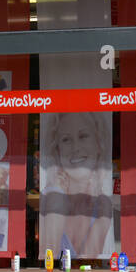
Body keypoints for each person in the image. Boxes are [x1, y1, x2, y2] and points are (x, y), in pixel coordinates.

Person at [40, 111, 114, 260]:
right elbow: (49, 259)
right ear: (57, 150)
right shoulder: (51, 195)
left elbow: (87, 263)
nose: (75, 148)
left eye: (83, 136)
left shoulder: (103, 204)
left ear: (99, 144)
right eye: (66, 139)